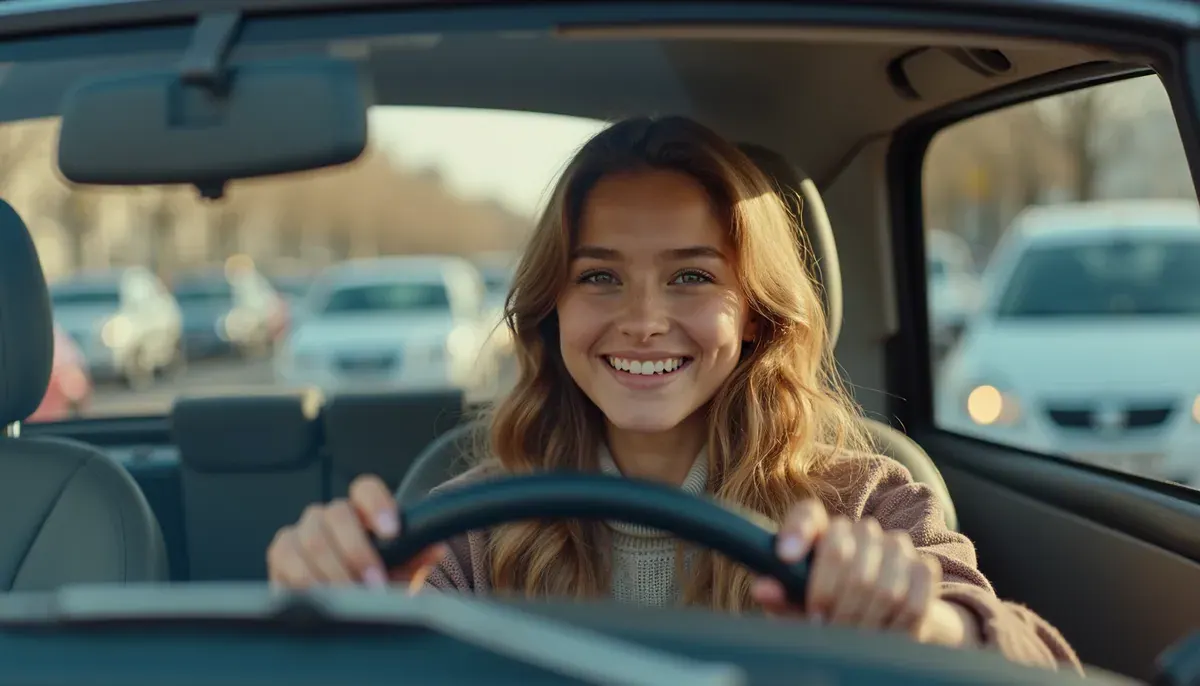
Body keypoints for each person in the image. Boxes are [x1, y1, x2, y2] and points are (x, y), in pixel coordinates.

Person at [266, 116, 1080, 673]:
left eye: (691, 277)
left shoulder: (866, 505)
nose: (645, 321)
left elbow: (1046, 667)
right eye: (600, 278)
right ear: (552, 310)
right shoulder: (464, 529)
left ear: (755, 313)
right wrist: (343, 621)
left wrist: (922, 624)